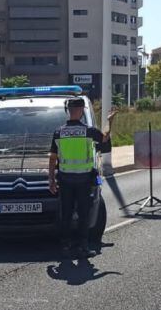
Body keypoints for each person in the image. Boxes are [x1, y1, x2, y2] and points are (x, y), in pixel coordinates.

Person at [48, 98, 114, 259]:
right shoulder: (88, 131)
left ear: (68, 111)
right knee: (84, 214)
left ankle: (65, 244)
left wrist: (51, 180)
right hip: (83, 180)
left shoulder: (59, 132)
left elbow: (52, 158)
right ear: (81, 111)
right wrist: (109, 121)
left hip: (65, 180)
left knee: (67, 213)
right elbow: (104, 138)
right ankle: (83, 247)